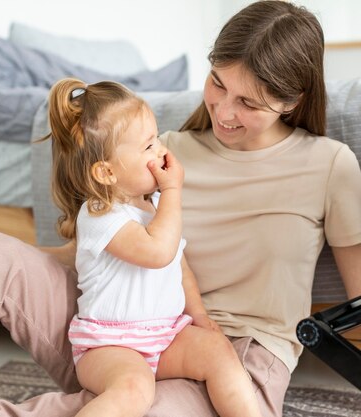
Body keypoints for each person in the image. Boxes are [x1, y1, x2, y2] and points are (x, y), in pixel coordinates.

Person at [0, 2, 361, 416]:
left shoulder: (329, 166)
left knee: (137, 408)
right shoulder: (164, 150)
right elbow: (94, 248)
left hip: (229, 359)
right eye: (218, 83)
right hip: (114, 336)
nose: (225, 112)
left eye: (250, 103)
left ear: (291, 99)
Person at [43, 77, 264, 417]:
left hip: (166, 333)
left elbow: (178, 263)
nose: (162, 152)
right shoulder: (101, 214)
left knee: (219, 352)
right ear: (106, 173)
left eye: (157, 138)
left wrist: (199, 315)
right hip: (110, 344)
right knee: (135, 389)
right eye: (148, 147)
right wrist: (174, 192)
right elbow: (157, 253)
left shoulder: (155, 204)